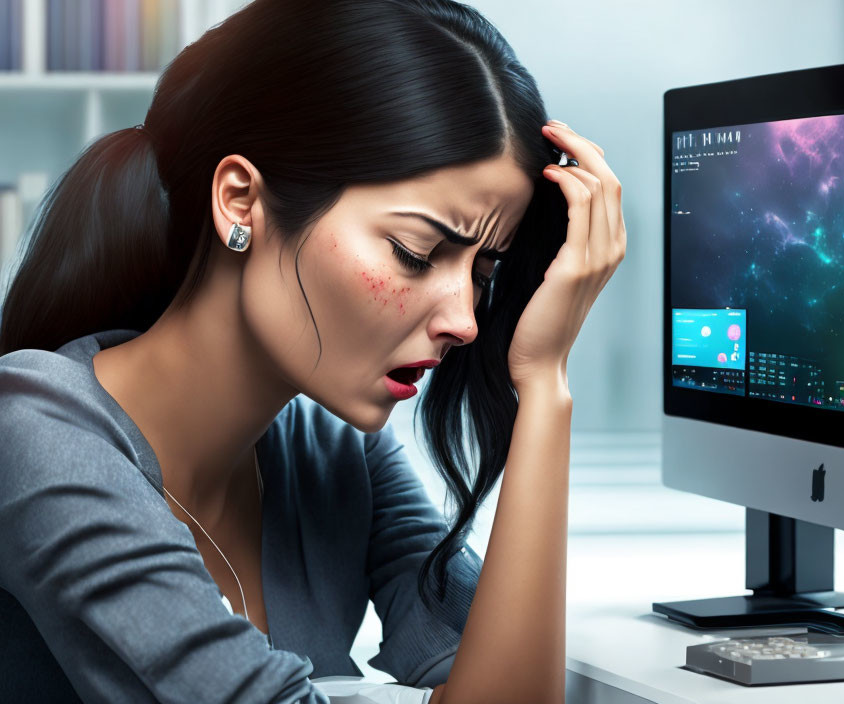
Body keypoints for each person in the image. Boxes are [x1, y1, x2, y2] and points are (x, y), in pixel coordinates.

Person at [0, 0, 626, 701]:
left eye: (482, 274)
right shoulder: (34, 430)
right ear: (240, 201)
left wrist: (543, 382)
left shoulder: (337, 459)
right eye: (416, 253)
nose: (465, 321)